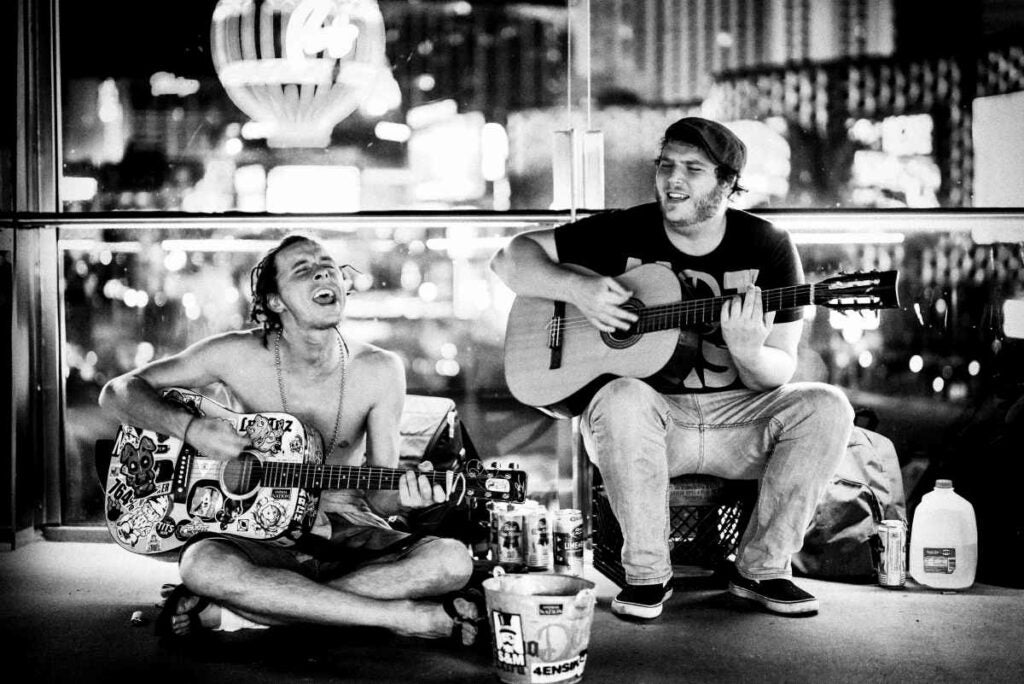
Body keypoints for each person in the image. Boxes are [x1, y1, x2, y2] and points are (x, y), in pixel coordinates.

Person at [489, 117, 853, 620]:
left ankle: (763, 569)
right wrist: (578, 290)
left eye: (692, 169)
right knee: (622, 395)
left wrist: (747, 351)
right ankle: (646, 577)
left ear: (727, 183)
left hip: (737, 426)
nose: (672, 179)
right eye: (666, 165)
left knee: (826, 405)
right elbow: (510, 259)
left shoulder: (767, 246)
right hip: (647, 425)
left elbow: (779, 368)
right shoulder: (623, 230)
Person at [99, 234, 485, 645]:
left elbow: (379, 498)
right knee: (202, 564)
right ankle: (400, 616)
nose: (324, 273)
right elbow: (118, 392)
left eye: (330, 267)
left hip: (344, 525)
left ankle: (240, 613)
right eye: (303, 270)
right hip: (252, 531)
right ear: (275, 301)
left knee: (452, 561)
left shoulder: (381, 368)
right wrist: (192, 430)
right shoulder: (233, 355)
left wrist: (413, 494)